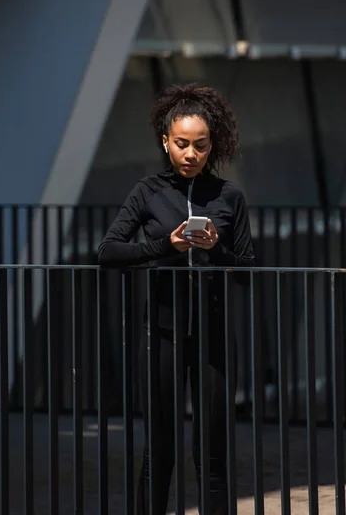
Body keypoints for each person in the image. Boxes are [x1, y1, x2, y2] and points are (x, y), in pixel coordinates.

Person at [98, 82, 255, 514]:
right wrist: (166, 246)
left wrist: (214, 247)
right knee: (160, 450)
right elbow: (108, 251)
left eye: (201, 146)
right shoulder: (148, 191)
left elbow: (247, 271)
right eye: (182, 144)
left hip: (215, 336)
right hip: (161, 333)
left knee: (213, 454)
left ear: (212, 145)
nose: (191, 155)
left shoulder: (229, 196)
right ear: (165, 141)